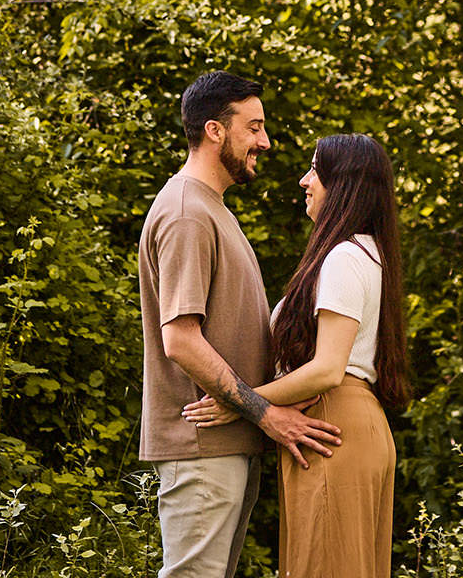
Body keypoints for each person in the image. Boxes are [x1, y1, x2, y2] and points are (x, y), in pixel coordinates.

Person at [138, 70, 344, 578]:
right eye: (253, 128)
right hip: (202, 444)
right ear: (214, 130)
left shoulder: (213, 209)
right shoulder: (188, 211)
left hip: (225, 444)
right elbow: (180, 340)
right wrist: (264, 412)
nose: (264, 142)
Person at [183, 133, 410, 578]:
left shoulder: (346, 256)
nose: (305, 181)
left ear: (342, 184)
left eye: (316, 171)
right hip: (345, 424)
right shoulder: (366, 252)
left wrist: (241, 402)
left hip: (328, 424)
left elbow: (327, 368)